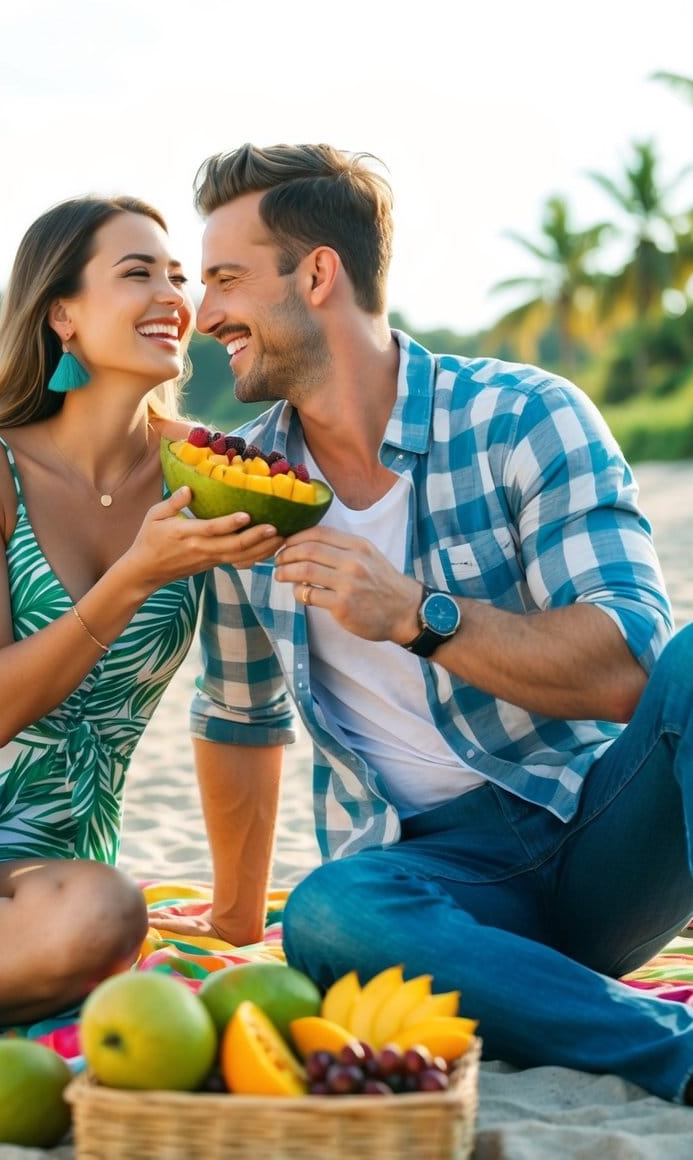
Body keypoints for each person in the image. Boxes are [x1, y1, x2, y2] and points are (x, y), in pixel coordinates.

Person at [149, 142, 693, 1104]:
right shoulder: (236, 487)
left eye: (228, 279)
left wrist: (417, 616)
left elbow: (630, 666)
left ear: (318, 274)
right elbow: (239, 713)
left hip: (600, 826)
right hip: (430, 882)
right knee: (331, 915)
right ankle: (670, 1050)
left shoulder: (525, 417)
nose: (208, 314)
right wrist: (235, 915)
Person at [0, 194, 282, 1028]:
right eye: (138, 274)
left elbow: (243, 697)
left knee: (102, 921)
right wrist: (133, 574)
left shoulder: (210, 474)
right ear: (62, 314)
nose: (173, 296)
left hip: (51, 840)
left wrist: (237, 911)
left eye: (177, 276)